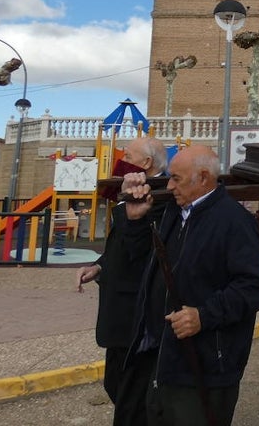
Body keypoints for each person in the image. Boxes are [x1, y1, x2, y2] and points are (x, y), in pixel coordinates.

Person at [122, 146, 259, 426]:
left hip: (206, 366)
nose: (169, 185)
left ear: (203, 178)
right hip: (164, 359)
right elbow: (144, 264)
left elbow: (252, 287)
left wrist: (204, 315)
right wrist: (136, 221)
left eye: (176, 178)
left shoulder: (235, 222)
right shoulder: (175, 214)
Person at [76, 136, 169, 426]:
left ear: (146, 163)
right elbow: (119, 248)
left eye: (128, 154)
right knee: (116, 383)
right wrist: (100, 266)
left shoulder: (161, 197)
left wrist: (135, 217)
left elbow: (142, 251)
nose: (122, 157)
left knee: (130, 392)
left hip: (137, 313)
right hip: (117, 308)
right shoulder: (128, 192)